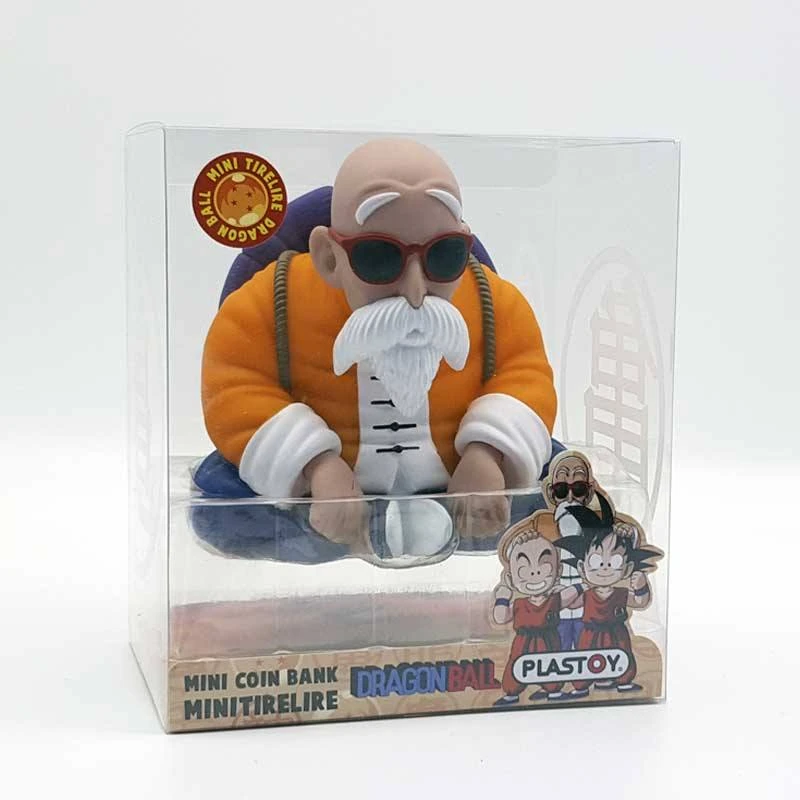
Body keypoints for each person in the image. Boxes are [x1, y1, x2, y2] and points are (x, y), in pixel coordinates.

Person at [197, 138, 557, 566]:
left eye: (443, 256)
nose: (415, 291)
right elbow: (233, 385)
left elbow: (525, 373)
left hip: (459, 484)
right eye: (379, 258)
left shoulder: (490, 300)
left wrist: (489, 452)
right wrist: (315, 465)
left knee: (562, 489)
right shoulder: (273, 300)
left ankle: (450, 530)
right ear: (330, 258)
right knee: (219, 507)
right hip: (320, 497)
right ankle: (341, 538)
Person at [556, 498, 662, 697]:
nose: (604, 567)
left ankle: (623, 681)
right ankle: (582, 686)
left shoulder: (620, 593)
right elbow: (562, 604)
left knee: (623, 656)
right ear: (582, 568)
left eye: (614, 561)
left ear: (627, 568)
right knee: (585, 659)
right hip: (589, 636)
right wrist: (572, 589)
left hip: (616, 634)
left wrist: (641, 586)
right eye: (596, 560)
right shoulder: (586, 594)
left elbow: (640, 602)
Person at [492, 513, 583, 706]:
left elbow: (572, 597)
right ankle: (511, 693)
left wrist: (582, 584)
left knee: (552, 663)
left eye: (544, 565)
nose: (534, 572)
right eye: (524, 569)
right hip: (522, 642)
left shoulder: (553, 600)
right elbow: (501, 618)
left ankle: (553, 691)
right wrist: (502, 598)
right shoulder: (519, 604)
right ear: (511, 578)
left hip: (548, 640)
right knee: (516, 665)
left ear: (558, 571)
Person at [542, 450, 607, 650]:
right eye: (562, 490)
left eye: (578, 489)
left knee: (588, 649)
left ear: (589, 491)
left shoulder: (599, 524)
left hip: (588, 607)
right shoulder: (541, 523)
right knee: (557, 649)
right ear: (551, 492)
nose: (570, 498)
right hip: (556, 605)